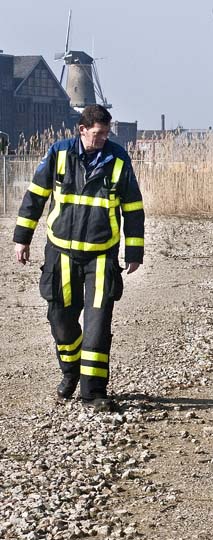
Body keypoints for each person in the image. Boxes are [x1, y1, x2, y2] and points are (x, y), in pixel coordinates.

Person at [12, 104, 145, 411]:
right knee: (60, 321)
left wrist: (134, 251)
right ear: (82, 130)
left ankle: (94, 391)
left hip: (101, 256)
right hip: (61, 252)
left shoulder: (118, 158)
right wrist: (22, 239)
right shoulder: (59, 154)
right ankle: (70, 373)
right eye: (97, 134)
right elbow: (35, 196)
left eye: (106, 134)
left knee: (97, 326)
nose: (102, 139)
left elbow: (133, 208)